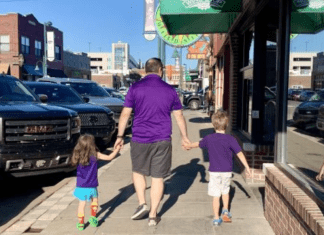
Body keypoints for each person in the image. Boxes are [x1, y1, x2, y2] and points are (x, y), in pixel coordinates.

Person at [114, 58, 191, 226]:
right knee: (158, 178)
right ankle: (153, 215)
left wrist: (120, 137)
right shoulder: (170, 90)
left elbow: (125, 114)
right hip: (162, 139)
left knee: (138, 171)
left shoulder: (135, 88)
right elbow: (179, 116)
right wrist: (185, 137)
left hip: (139, 139)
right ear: (161, 70)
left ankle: (142, 204)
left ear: (145, 71)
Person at [186, 110, 251, 226]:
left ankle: (216, 218)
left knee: (216, 195)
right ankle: (225, 210)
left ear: (213, 124)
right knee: (225, 191)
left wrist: (188, 145)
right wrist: (247, 167)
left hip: (214, 172)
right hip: (227, 171)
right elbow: (240, 153)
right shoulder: (230, 139)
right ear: (227, 124)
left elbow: (197, 144)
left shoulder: (209, 138)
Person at [72, 134, 121, 231]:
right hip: (92, 185)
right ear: (92, 144)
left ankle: (81, 224)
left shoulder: (77, 155)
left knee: (81, 204)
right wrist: (117, 150)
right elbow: (109, 157)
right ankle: (93, 218)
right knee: (95, 201)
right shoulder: (95, 155)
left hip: (81, 186)